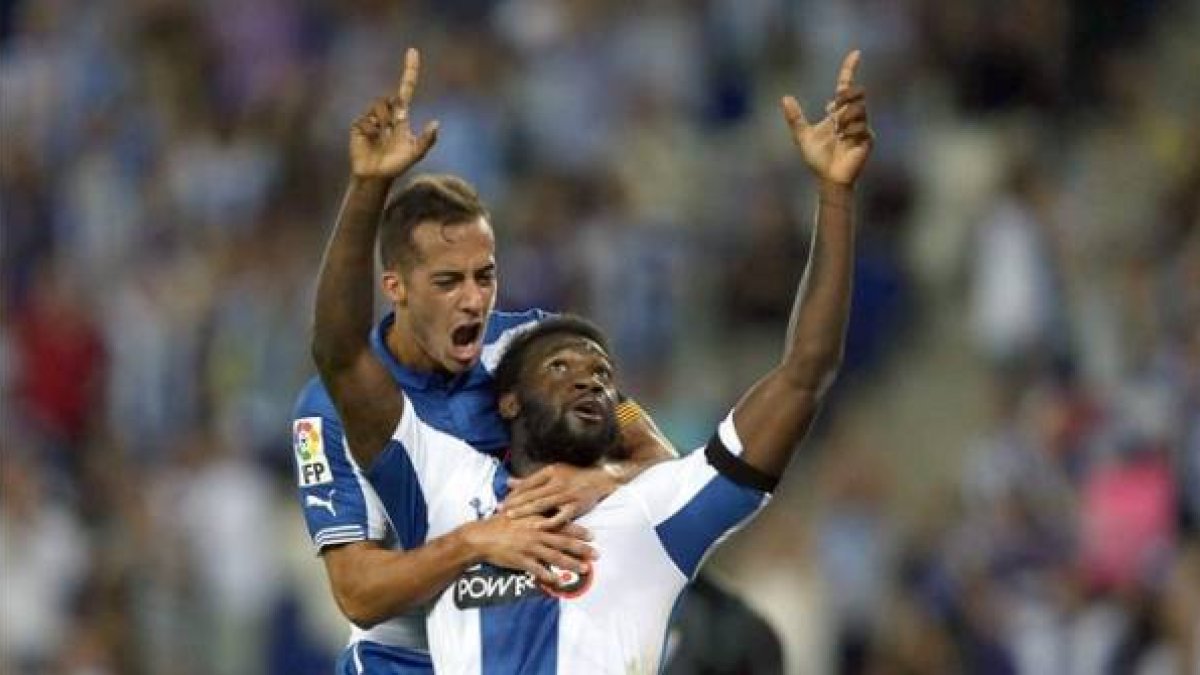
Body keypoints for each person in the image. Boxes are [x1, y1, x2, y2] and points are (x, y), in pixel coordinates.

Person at [312, 44, 873, 672]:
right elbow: (340, 356)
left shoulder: (656, 510)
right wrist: (367, 188)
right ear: (508, 400)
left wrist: (834, 193)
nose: (590, 380)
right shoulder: (450, 486)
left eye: (603, 375)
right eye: (561, 368)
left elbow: (805, 372)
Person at [291, 49, 675, 671]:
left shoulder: (534, 348)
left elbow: (657, 457)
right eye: (448, 282)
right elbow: (357, 593)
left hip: (518, 638)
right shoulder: (329, 410)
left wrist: (600, 480)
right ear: (396, 287)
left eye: (485, 275)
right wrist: (474, 542)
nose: (474, 299)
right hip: (404, 660)